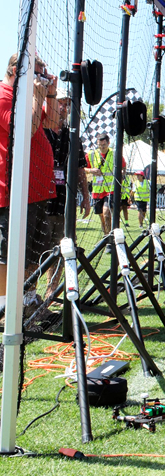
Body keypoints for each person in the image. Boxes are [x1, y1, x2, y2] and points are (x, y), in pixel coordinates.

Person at [0, 53, 56, 311]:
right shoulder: (4, 96)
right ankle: (4, 306)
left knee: (35, 251)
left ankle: (28, 299)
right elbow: (24, 131)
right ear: (16, 71)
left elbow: (52, 123)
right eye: (37, 74)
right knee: (7, 254)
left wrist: (50, 95)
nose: (40, 79)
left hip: (36, 189)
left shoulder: (26, 96)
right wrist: (39, 96)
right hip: (12, 191)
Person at [43, 85, 91, 299]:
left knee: (62, 246)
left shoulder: (73, 136)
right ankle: (28, 294)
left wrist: (86, 197)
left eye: (66, 104)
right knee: (37, 249)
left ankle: (51, 293)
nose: (63, 107)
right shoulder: (38, 128)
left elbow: (80, 168)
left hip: (63, 201)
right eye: (60, 102)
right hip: (39, 200)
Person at [85, 133, 126, 235]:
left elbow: (123, 166)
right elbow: (82, 168)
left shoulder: (115, 154)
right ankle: (106, 236)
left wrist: (121, 175)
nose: (102, 147)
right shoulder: (91, 154)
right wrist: (91, 170)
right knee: (102, 217)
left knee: (107, 213)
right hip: (97, 190)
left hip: (110, 189)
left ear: (108, 143)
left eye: (104, 145)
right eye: (100, 145)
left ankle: (111, 236)